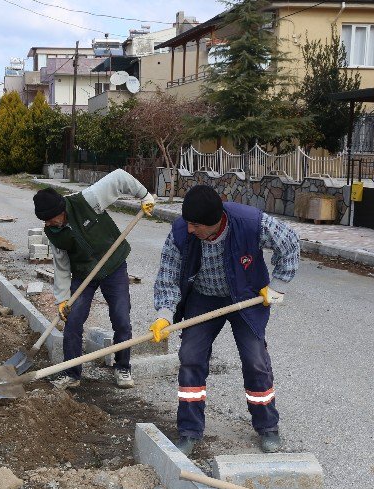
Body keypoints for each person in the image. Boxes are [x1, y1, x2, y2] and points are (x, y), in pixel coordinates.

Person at [150, 185, 300, 456]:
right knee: (191, 356)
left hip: (246, 296)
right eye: (188, 223)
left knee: (255, 360)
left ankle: (268, 427)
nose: (191, 229)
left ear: (215, 221)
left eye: (196, 225)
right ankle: (189, 431)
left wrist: (276, 286)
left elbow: (289, 242)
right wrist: (163, 315)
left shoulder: (249, 222)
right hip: (204, 297)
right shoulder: (181, 233)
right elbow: (168, 276)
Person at [32, 169, 155, 389]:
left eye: (52, 219)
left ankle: (123, 368)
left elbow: (119, 178)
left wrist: (144, 195)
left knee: (121, 318)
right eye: (46, 222)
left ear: (61, 210)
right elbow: (61, 267)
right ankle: (72, 373)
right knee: (73, 320)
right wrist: (61, 298)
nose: (50, 224)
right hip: (84, 274)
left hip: (113, 265)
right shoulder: (53, 232)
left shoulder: (87, 200)